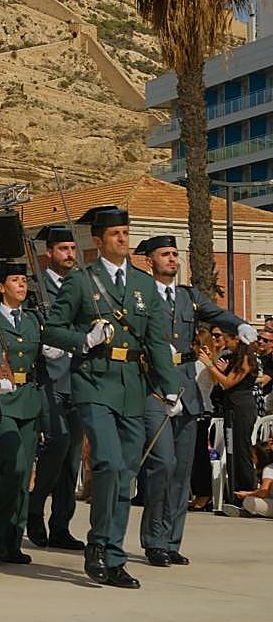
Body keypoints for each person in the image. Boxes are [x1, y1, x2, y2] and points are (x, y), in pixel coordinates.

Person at [43, 205, 178, 589]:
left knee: (125, 474)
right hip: (94, 381)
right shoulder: (81, 282)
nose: (123, 238)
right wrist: (83, 340)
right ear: (99, 241)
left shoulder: (143, 284)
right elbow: (53, 330)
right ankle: (98, 546)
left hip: (132, 386)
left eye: (126, 232)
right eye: (115, 234)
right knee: (107, 461)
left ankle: (111, 553)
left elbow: (155, 340)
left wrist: (170, 387)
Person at [135, 234, 254, 566]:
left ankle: (172, 540)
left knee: (182, 470)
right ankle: (153, 540)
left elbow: (217, 314)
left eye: (175, 254)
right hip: (155, 385)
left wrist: (241, 324)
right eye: (165, 254)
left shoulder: (188, 297)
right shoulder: (140, 294)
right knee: (163, 464)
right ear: (150, 260)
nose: (172, 259)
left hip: (187, 388)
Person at [0, 261, 61, 565]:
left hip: (29, 400)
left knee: (24, 475)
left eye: (24, 280)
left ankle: (14, 537)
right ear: (0, 288)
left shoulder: (33, 320)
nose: (22, 285)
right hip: (1, 403)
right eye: (15, 280)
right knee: (14, 466)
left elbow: (47, 347)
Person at [27, 224, 86, 551]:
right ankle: (34, 507)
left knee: (72, 456)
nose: (69, 255)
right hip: (48, 378)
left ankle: (61, 524)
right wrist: (41, 346)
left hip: (78, 378)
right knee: (57, 445)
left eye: (73, 250)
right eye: (63, 250)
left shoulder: (82, 284)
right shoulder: (35, 289)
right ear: (49, 253)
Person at [201, 327, 259, 496]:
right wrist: (218, 367)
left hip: (241, 409)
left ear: (238, 340)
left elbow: (227, 383)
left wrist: (209, 364)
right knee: (232, 449)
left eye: (228, 340)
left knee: (241, 450)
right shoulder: (236, 358)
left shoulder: (246, 359)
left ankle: (246, 490)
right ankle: (234, 491)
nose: (226, 343)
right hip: (231, 408)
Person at [232, 442, 273, 517]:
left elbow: (264, 491)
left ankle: (246, 511)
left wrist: (247, 494)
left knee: (248, 501)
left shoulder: (268, 469)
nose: (251, 458)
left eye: (252, 455)